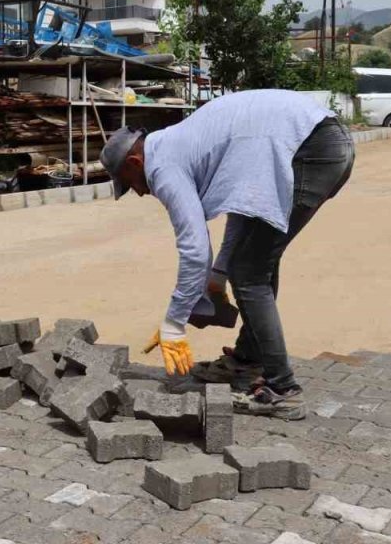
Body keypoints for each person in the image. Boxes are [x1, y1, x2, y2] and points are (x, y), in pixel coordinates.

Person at [100, 90, 355, 420]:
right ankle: (248, 361)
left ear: (135, 163)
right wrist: (218, 277)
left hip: (310, 149)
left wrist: (174, 324)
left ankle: (283, 390)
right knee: (254, 263)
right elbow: (245, 209)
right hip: (320, 142)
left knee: (249, 273)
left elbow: (193, 249)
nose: (138, 191)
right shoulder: (186, 142)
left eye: (130, 183)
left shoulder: (163, 166)